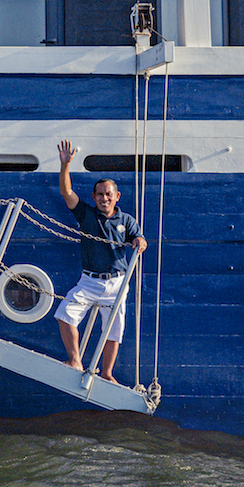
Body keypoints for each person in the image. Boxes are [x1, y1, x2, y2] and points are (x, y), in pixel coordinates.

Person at [53, 139, 148, 383]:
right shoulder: (86, 214)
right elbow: (66, 192)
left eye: (108, 194)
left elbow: (138, 237)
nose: (104, 198)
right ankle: (75, 360)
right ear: (94, 197)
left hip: (117, 283)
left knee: (114, 330)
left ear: (117, 197)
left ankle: (106, 373)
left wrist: (139, 241)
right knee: (65, 313)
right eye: (100, 194)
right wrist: (65, 165)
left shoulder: (126, 220)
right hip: (89, 280)